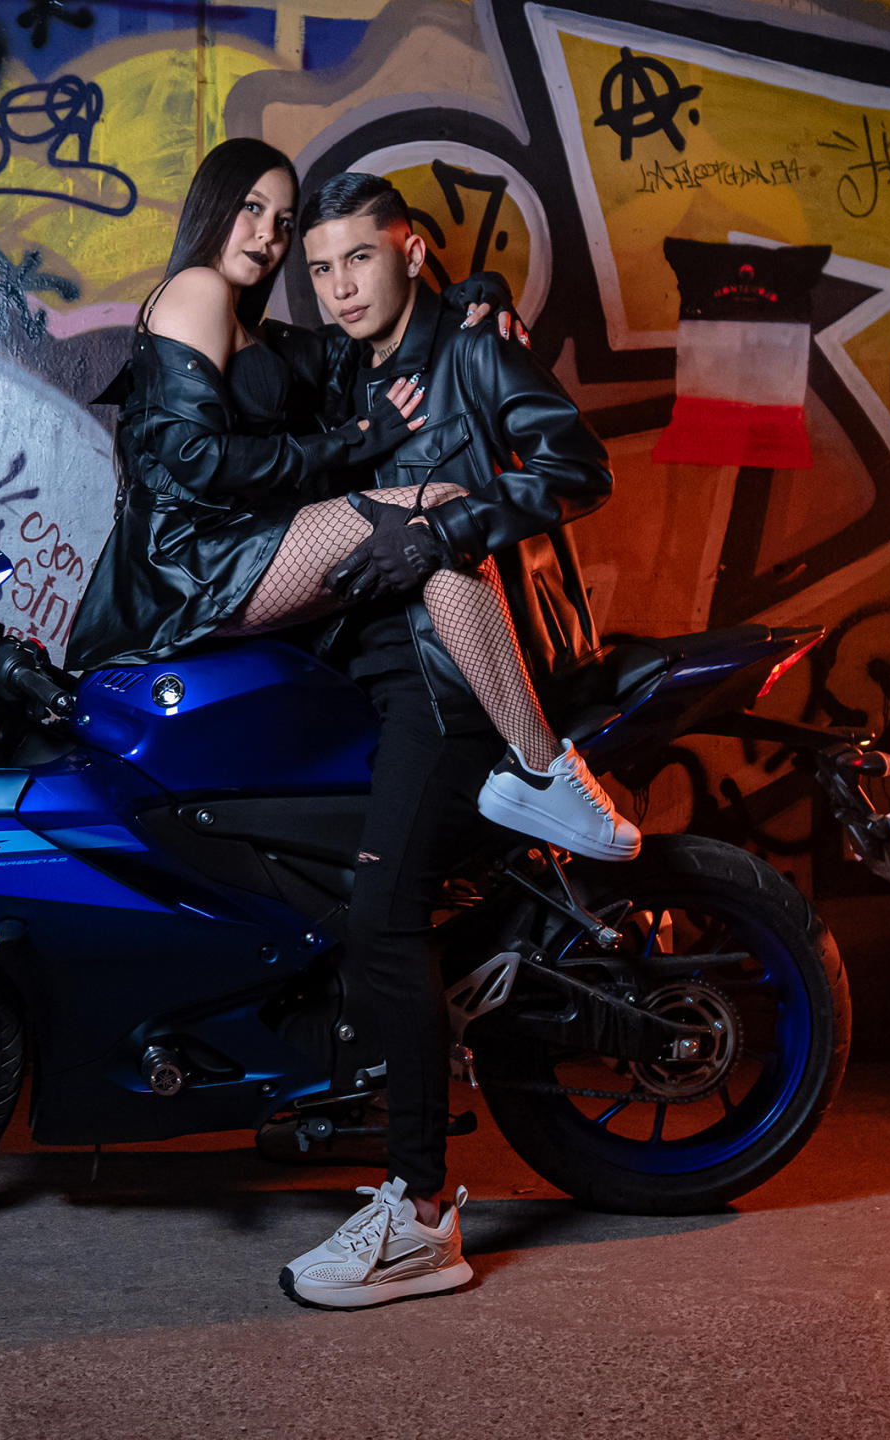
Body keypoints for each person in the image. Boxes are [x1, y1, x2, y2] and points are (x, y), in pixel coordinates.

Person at [67, 140, 636, 868]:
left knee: (434, 519)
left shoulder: (308, 340)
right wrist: (358, 439)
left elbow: (346, 355)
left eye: (283, 222)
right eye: (251, 210)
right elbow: (197, 458)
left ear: (410, 254)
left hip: (398, 645)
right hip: (203, 569)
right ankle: (541, 766)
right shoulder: (205, 292)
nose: (268, 238)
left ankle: (537, 767)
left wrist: (475, 290)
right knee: (436, 507)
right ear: (213, 206)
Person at [277, 172, 626, 1309]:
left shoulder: (473, 352)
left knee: (382, 916)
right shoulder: (347, 368)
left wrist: (448, 528)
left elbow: (578, 467)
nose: (339, 288)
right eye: (321, 269)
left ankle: (423, 1216)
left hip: (453, 675)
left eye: (359, 259)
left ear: (411, 251)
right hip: (364, 671)